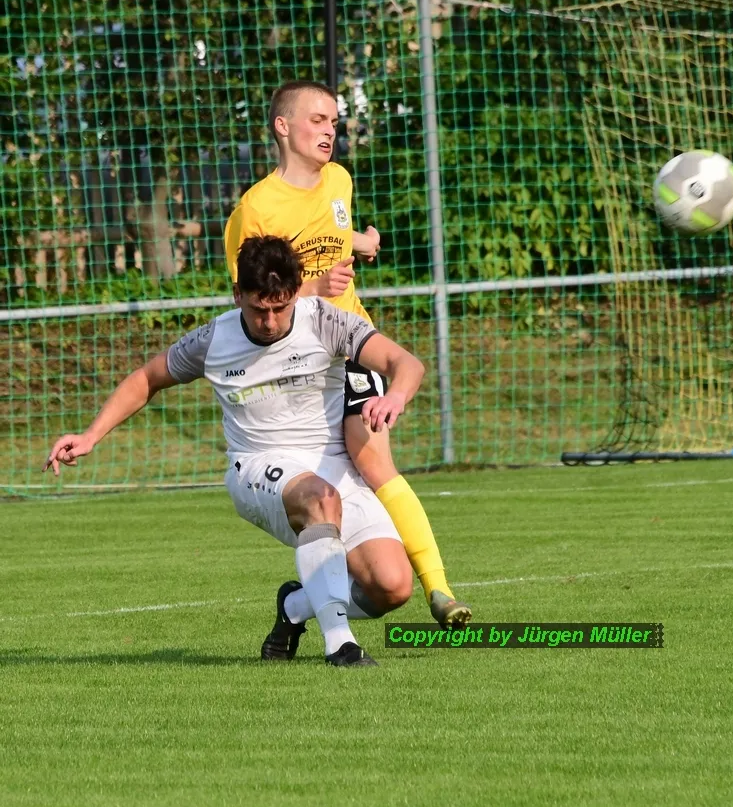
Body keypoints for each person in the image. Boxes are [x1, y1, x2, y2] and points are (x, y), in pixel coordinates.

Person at [43, 235, 425, 667]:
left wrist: (395, 396)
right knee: (320, 499)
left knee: (391, 587)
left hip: (333, 468)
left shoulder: (325, 321)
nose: (269, 321)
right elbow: (147, 379)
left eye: (281, 308)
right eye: (258, 309)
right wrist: (91, 436)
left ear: (296, 292)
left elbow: (406, 364)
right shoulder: (214, 339)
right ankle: (341, 645)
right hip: (257, 466)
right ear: (237, 294)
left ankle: (296, 606)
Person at [223, 79, 471, 628]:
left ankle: (439, 588)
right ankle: (300, 603)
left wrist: (361, 241)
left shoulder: (339, 180)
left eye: (334, 121)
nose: (330, 130)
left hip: (349, 344)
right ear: (282, 126)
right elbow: (247, 297)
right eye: (317, 120)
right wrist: (311, 288)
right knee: (328, 494)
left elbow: (328, 227)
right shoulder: (256, 208)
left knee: (376, 461)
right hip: (296, 365)